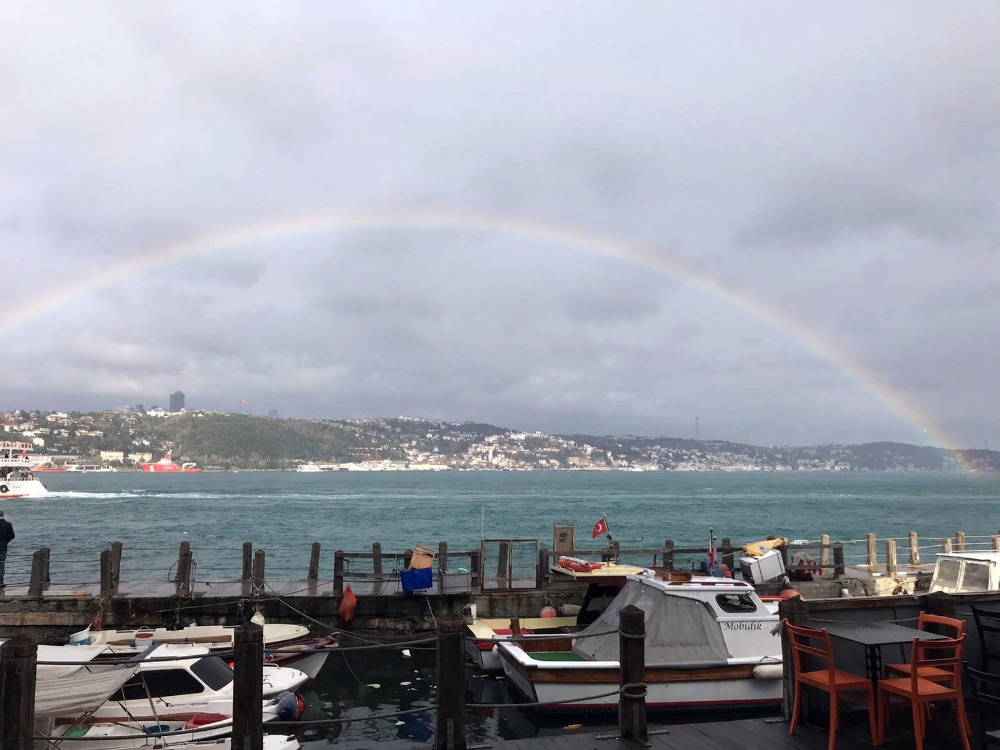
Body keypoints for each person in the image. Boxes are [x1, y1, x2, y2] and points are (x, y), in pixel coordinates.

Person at [0, 510, 14, 587]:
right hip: (3, 547)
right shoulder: (8, 524)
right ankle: (1, 581)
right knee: (1, 564)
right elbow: (12, 535)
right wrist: (6, 541)